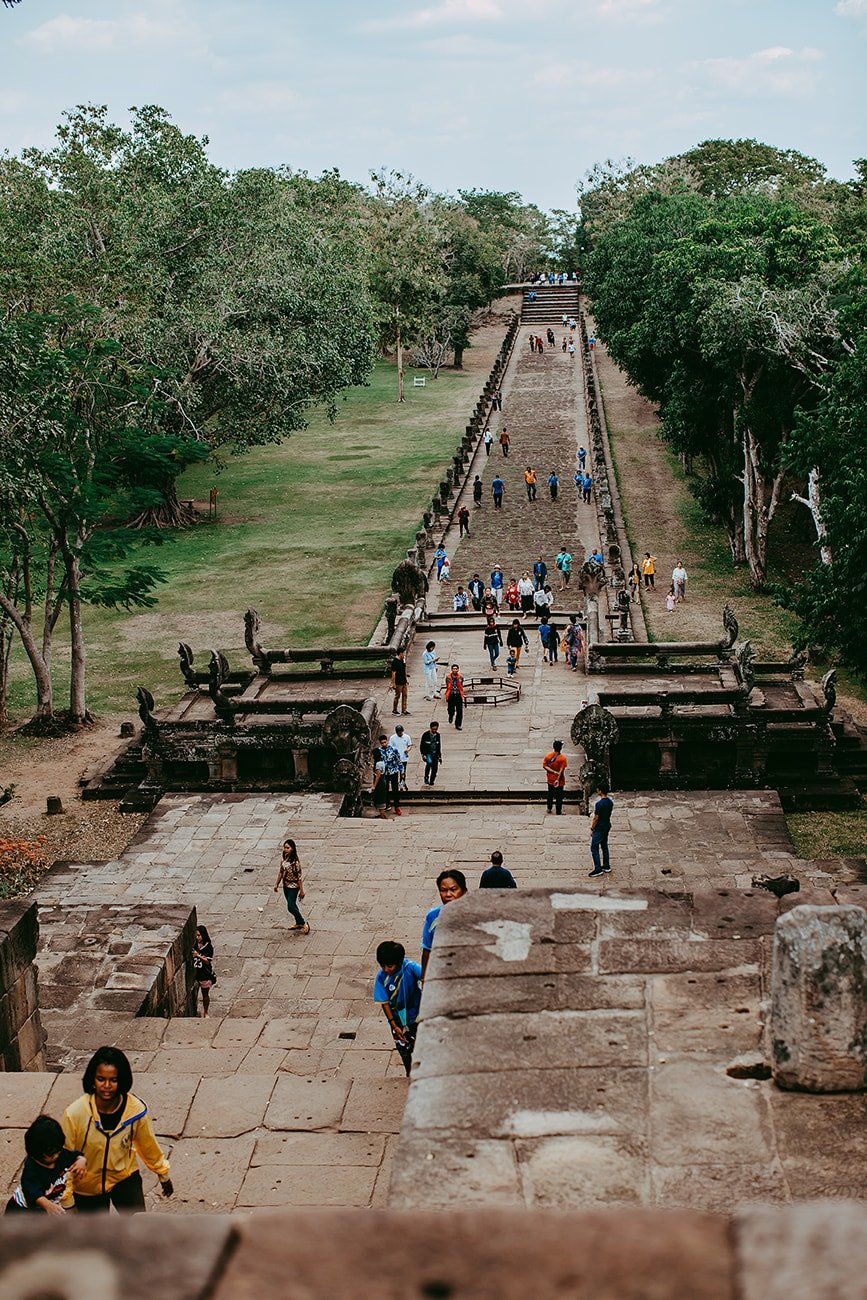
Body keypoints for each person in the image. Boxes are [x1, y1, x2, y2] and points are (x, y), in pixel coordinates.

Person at [61, 1047, 173, 1213]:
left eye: (113, 1080)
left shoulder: (135, 1110)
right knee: (97, 1238)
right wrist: (68, 1200)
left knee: (138, 1228)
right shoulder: (75, 1114)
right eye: (101, 1079)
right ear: (92, 1080)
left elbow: (147, 1145)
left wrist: (162, 1173)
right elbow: (64, 1159)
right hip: (87, 1186)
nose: (107, 1086)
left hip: (124, 1178)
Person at [5, 1115, 86, 1214]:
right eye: (51, 1154)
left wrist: (81, 1160)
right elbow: (32, 1192)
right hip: (26, 1209)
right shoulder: (32, 1169)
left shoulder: (61, 1155)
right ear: (36, 1153)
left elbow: (74, 1155)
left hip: (51, 1201)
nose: (56, 1156)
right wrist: (47, 1205)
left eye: (58, 1151)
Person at [374, 940, 423, 1077]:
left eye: (389, 966)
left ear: (400, 962)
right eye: (382, 965)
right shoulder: (381, 977)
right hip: (398, 1021)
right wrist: (393, 1024)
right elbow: (384, 1003)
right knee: (404, 1050)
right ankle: (409, 1072)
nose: (386, 969)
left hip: (418, 1016)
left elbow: (426, 975)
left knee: (422, 1046)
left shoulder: (410, 968)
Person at [420, 869, 468, 979]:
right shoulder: (432, 917)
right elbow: (427, 948)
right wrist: (424, 978)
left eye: (453, 889)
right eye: (443, 890)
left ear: (464, 891)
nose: (448, 894)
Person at [274, 838, 310, 931]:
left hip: (293, 887)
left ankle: (302, 922)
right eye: (285, 848)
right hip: (286, 886)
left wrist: (301, 891)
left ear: (292, 849)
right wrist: (276, 884)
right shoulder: (284, 859)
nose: (285, 849)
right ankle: (298, 922)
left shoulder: (296, 863)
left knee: (290, 907)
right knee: (292, 905)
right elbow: (281, 872)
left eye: (287, 848)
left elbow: (299, 878)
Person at [588, 782, 614, 878]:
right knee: (604, 845)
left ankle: (598, 868)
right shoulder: (610, 802)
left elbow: (596, 818)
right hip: (607, 825)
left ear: (600, 791)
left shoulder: (599, 804)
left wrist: (592, 828)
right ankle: (606, 865)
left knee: (594, 847)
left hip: (599, 827)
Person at [193, 925, 215, 1017]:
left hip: (204, 973)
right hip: (194, 973)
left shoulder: (208, 947)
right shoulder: (194, 945)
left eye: (199, 935)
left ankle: (206, 1012)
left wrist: (198, 956)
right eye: (196, 935)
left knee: (205, 994)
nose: (197, 937)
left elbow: (208, 961)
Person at [542, 739, 567, 815]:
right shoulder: (563, 758)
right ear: (560, 748)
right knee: (559, 797)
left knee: (550, 794)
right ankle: (558, 811)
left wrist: (552, 772)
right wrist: (557, 779)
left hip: (550, 779)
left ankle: (549, 808)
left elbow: (544, 766)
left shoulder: (548, 756)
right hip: (559, 781)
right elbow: (561, 770)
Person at [371, 732, 394, 817]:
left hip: (380, 784)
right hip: (383, 782)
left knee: (380, 801)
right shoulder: (381, 762)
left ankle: (383, 816)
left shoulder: (378, 764)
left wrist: (374, 785)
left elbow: (378, 775)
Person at [389, 723, 412, 790]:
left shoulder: (407, 737)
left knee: (403, 772)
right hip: (395, 759)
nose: (399, 733)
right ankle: (396, 785)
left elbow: (410, 745)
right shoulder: (392, 738)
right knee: (395, 772)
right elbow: (390, 747)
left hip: (403, 758)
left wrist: (407, 750)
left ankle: (402, 783)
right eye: (398, 732)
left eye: (400, 732)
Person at [420, 720, 442, 787]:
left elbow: (439, 746)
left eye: (436, 729)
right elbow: (422, 745)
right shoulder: (425, 735)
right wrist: (423, 754)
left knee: (435, 768)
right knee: (429, 763)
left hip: (435, 753)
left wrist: (440, 756)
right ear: (430, 728)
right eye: (433, 729)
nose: (434, 731)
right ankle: (426, 776)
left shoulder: (438, 735)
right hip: (428, 753)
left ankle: (432, 781)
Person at [444, 664, 465, 730]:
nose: (455, 670)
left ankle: (458, 724)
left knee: (459, 711)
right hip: (451, 695)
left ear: (458, 670)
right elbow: (448, 686)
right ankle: (451, 715)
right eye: (454, 669)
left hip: (458, 695)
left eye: (456, 669)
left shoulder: (460, 677)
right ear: (451, 670)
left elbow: (461, 685)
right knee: (451, 709)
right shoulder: (448, 677)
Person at [390, 648, 409, 715]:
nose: (404, 655)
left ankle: (404, 709)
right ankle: (394, 709)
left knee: (405, 695)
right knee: (397, 696)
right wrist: (393, 683)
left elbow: (404, 671)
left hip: (403, 681)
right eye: (403, 653)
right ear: (400, 653)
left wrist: (406, 680)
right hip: (398, 682)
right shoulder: (395, 662)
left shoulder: (402, 660)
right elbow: (393, 673)